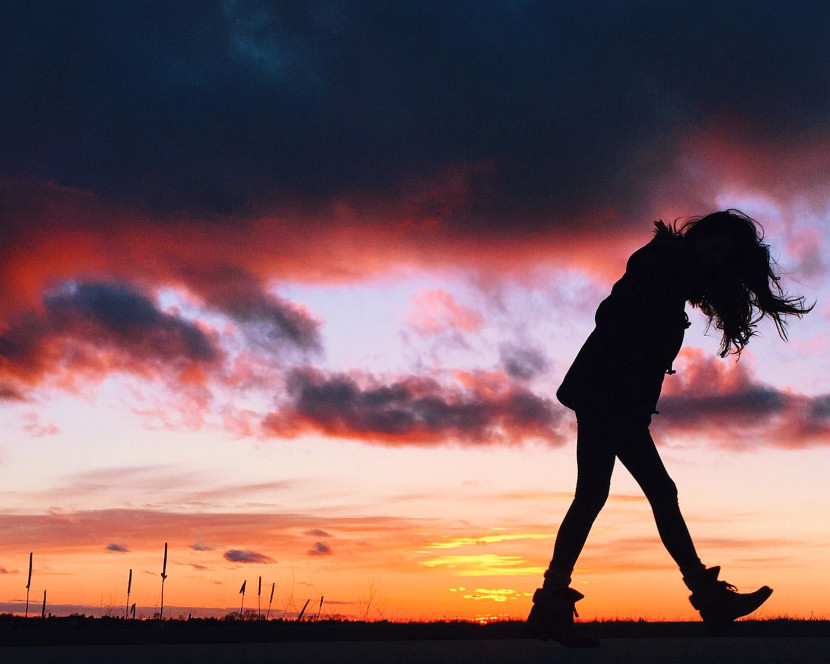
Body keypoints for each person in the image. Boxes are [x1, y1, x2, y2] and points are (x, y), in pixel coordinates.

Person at [527, 210, 812, 648]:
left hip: (612, 397)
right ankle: (707, 599)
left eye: (724, 254)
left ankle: (551, 605)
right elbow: (614, 316)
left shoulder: (676, 275)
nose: (716, 255)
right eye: (715, 245)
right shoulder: (659, 264)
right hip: (607, 395)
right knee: (646, 492)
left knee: (604, 495)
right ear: (701, 236)